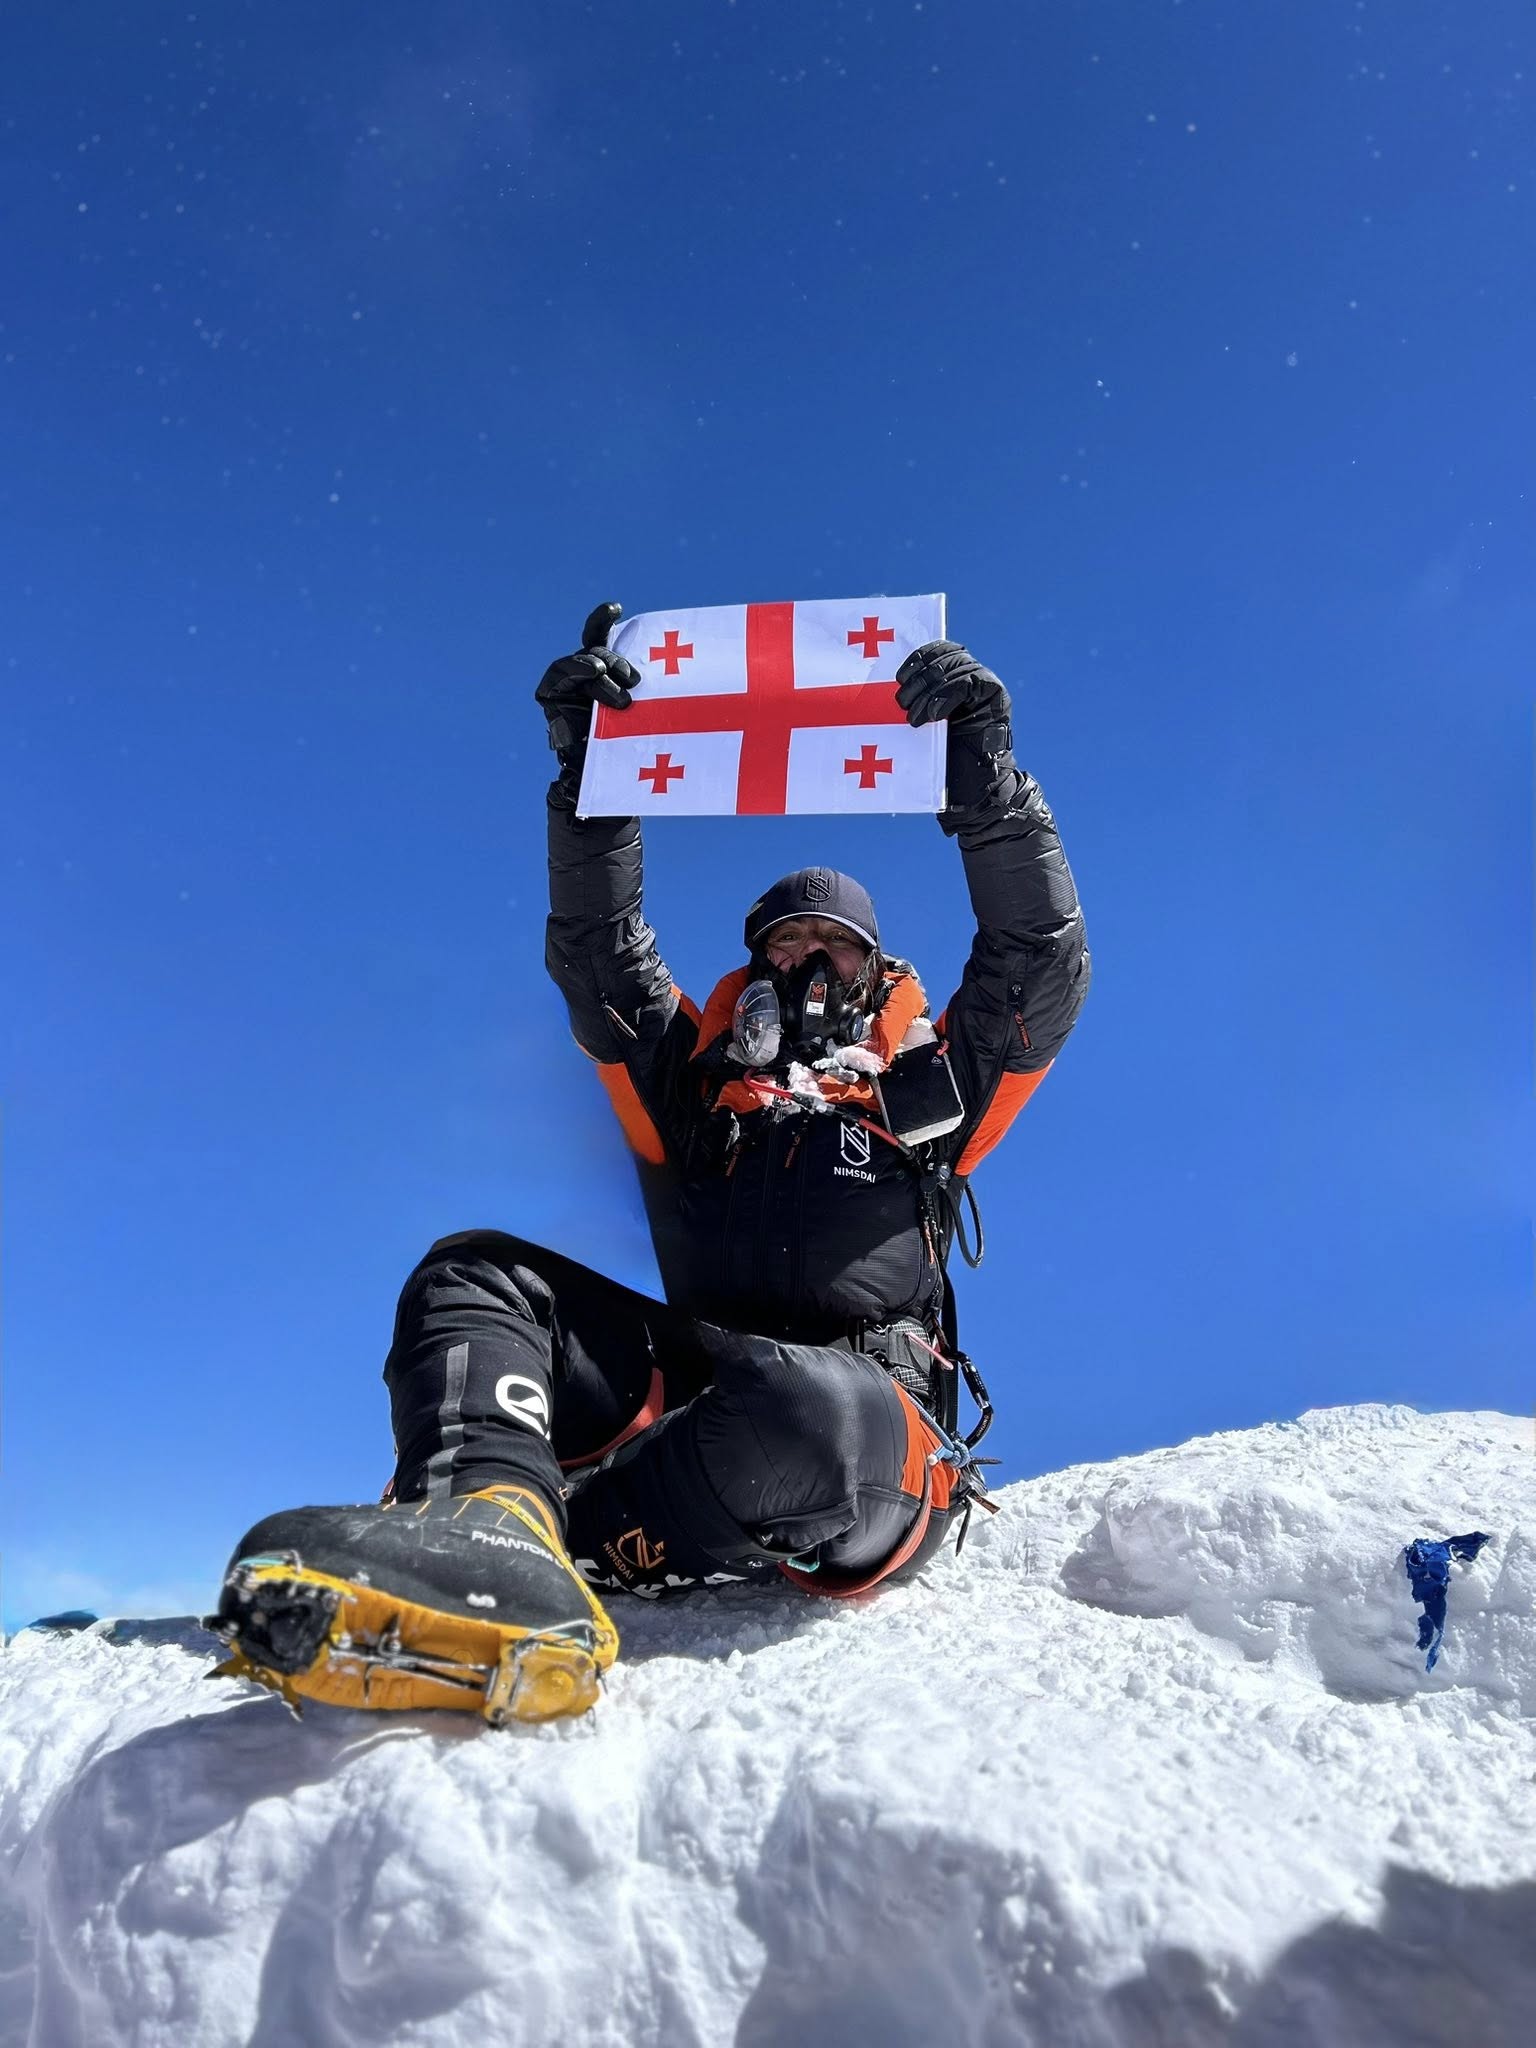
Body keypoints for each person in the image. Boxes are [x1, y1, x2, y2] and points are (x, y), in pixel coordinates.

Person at [210, 604, 1090, 1725]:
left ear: (874, 972)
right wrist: (595, 781)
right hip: (695, 1393)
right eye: (782, 945)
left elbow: (1038, 963)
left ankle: (555, 1550)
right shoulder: (695, 1089)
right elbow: (600, 957)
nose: (807, 963)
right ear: (753, 975)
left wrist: (990, 785)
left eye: (835, 947)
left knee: (809, 1411)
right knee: (475, 1272)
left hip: (863, 1436)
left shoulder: (934, 1091)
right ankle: (488, 1526)